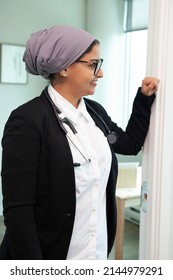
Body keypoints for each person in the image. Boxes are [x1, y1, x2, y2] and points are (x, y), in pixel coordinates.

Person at [0, 25, 159, 260]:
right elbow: (18, 211)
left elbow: (130, 144)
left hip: (94, 254)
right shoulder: (27, 120)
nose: (101, 73)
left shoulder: (95, 114)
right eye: (93, 64)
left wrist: (144, 99)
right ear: (64, 67)